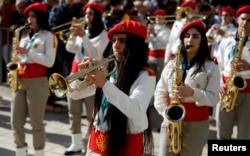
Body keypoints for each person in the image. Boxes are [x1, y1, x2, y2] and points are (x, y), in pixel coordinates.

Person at [68, 20, 156, 156]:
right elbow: (74, 95)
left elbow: (134, 110)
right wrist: (81, 78)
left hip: (126, 142)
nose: (116, 46)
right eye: (114, 41)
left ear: (135, 45)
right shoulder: (108, 69)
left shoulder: (146, 75)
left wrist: (104, 84)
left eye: (122, 41)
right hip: (97, 139)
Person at [154, 20, 220, 156]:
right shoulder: (172, 63)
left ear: (202, 41)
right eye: (187, 36)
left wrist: (193, 93)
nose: (190, 40)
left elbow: (214, 98)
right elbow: (160, 92)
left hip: (196, 124)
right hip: (170, 122)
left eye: (195, 36)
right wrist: (165, 114)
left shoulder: (211, 66)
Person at [9, 2, 57, 156]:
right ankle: (21, 152)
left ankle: (39, 153)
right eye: (28, 16)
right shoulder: (23, 34)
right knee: (15, 122)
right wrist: (17, 57)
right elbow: (20, 56)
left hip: (38, 82)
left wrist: (28, 53)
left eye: (33, 16)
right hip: (21, 79)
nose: (29, 19)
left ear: (40, 17)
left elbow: (50, 61)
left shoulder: (49, 36)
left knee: (36, 123)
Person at [64, 2, 109, 155]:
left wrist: (84, 37)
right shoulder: (85, 30)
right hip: (75, 72)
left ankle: (90, 143)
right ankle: (76, 143)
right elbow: (70, 48)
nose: (86, 17)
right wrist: (73, 35)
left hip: (92, 77)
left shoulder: (104, 35)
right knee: (74, 111)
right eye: (86, 14)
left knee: (91, 114)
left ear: (96, 16)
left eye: (90, 14)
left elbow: (96, 55)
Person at [216, 5, 250, 140]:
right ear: (237, 19)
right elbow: (219, 64)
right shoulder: (227, 39)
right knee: (222, 134)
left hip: (247, 92)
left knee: (245, 135)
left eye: (249, 20)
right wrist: (219, 83)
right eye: (243, 19)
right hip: (226, 90)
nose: (245, 23)